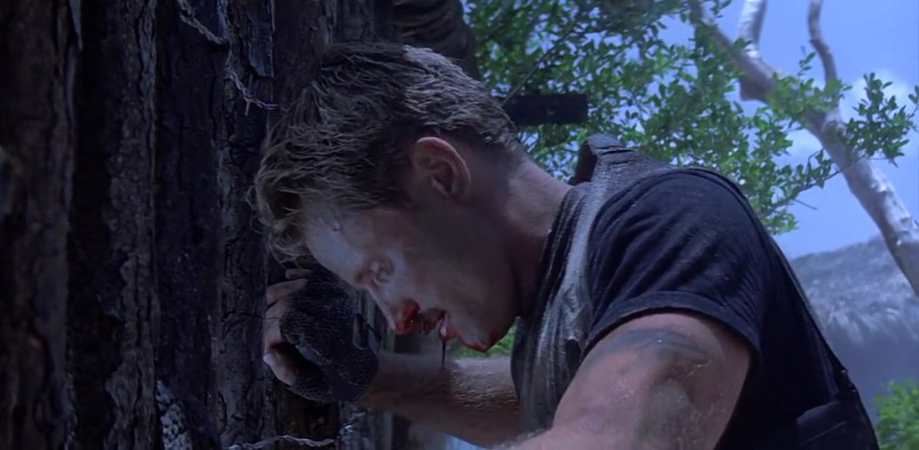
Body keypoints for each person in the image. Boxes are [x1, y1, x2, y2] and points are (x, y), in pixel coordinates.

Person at [254, 42, 878, 449]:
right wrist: (370, 377)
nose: (396, 317)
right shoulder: (573, 309)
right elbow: (571, 396)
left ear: (440, 173)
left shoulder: (675, 218)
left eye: (380, 272)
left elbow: (614, 433)